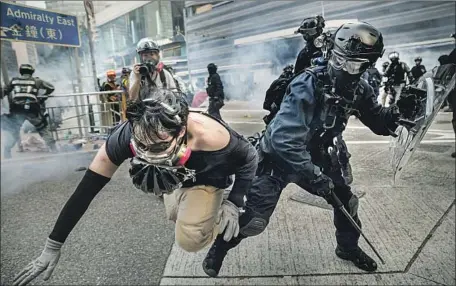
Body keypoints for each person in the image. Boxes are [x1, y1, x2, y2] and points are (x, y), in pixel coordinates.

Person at [202, 21, 419, 277]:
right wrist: (314, 176)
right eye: (344, 62)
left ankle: (347, 249)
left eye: (358, 65)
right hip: (278, 158)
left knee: (346, 203)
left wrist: (398, 113)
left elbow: (378, 122)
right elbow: (284, 140)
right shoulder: (308, 83)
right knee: (254, 221)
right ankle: (221, 246)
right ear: (333, 54)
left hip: (319, 153)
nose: (348, 70)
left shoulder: (359, 88)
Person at [11, 88, 257, 286]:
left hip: (206, 177)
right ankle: (184, 200)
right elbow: (85, 191)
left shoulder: (212, 137)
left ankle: (213, 209)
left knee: (190, 238)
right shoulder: (125, 136)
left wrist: (235, 202)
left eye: (158, 146)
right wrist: (53, 245)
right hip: (175, 176)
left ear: (182, 131)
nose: (148, 151)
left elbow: (250, 159)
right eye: (142, 144)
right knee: (173, 212)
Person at [1, 64, 56, 159]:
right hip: (32, 108)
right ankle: (54, 148)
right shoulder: (37, 80)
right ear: (32, 72)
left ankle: (7, 151)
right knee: (42, 128)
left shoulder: (14, 80)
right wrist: (44, 97)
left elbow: (4, 92)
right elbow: (51, 87)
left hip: (17, 109)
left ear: (21, 71)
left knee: (14, 131)